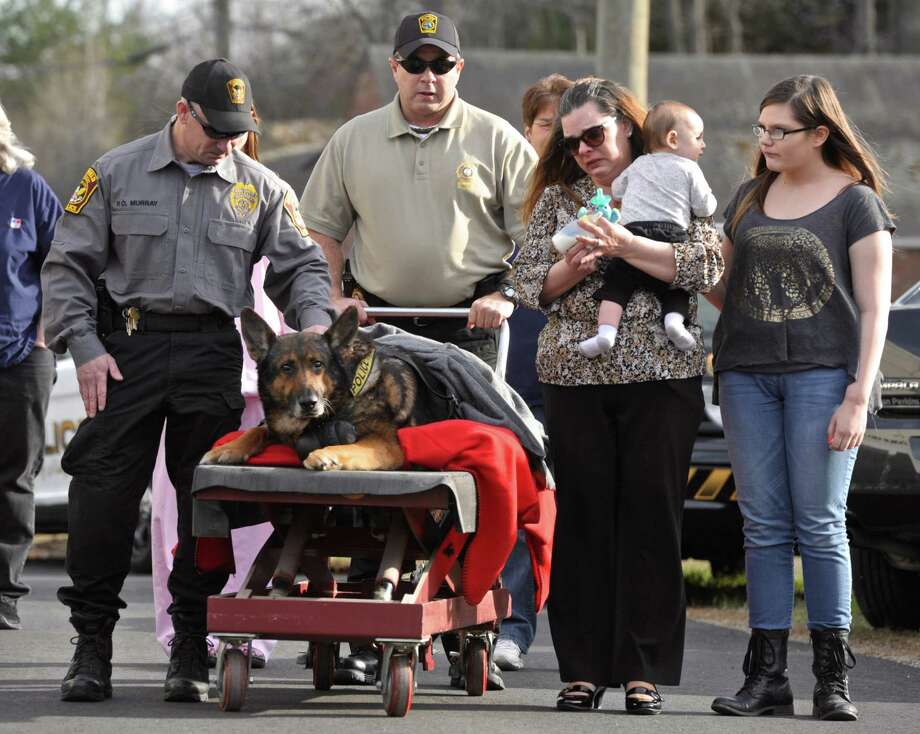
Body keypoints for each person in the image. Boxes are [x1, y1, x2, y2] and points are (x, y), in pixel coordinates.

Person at [41, 58, 332, 704]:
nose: (225, 144)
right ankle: (92, 643)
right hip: (126, 351)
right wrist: (84, 346)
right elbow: (66, 268)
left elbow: (303, 269)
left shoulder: (261, 186)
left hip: (209, 351)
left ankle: (193, 642)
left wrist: (316, 331)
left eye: (235, 132)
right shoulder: (115, 173)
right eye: (213, 130)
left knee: (207, 500)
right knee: (102, 495)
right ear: (181, 111)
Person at [300, 10, 536, 682]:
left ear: (459, 69)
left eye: (441, 65)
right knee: (375, 470)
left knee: (476, 474)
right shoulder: (354, 139)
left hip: (470, 326)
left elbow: (537, 233)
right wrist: (337, 293)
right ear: (395, 68)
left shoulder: (496, 139)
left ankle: (473, 626)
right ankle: (368, 629)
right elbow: (320, 230)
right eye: (416, 64)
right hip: (383, 327)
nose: (428, 78)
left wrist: (507, 294)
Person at [512, 77, 723, 714]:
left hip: (662, 374)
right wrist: (569, 268)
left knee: (652, 518)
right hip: (575, 377)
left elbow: (705, 264)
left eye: (594, 135)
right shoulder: (559, 196)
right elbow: (524, 281)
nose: (583, 150)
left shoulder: (675, 172)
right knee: (582, 519)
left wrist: (628, 245)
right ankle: (581, 669)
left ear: (627, 126)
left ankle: (643, 668)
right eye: (572, 141)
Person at [707, 75, 894, 722]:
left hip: (825, 377)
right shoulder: (748, 196)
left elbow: (875, 310)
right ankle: (767, 679)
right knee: (762, 527)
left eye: (779, 130)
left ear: (820, 133)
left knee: (820, 523)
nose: (766, 140)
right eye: (761, 128)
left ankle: (833, 679)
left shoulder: (857, 204)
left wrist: (858, 394)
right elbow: (720, 285)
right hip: (745, 377)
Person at [149, 107, 279, 669]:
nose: (230, 140)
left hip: (262, 387)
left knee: (255, 521)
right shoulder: (169, 192)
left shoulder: (271, 195)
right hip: (187, 378)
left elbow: (299, 281)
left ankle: (251, 631)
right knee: (176, 515)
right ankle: (185, 631)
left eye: (242, 128)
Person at [492, 72, 573, 674]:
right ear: (529, 130)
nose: (562, 137)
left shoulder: (603, 198)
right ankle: (488, 624)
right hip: (507, 376)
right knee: (502, 502)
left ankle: (526, 630)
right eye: (549, 124)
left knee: (552, 512)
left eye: (574, 127)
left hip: (577, 378)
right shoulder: (505, 196)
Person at [576, 100, 716, 358]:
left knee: (616, 285)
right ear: (673, 139)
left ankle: (605, 333)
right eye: (698, 138)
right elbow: (704, 206)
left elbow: (617, 188)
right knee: (677, 284)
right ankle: (674, 321)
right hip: (671, 237)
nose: (703, 145)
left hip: (633, 231)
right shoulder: (689, 168)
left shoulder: (639, 165)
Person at [0, 101, 62, 631]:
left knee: (16, 476)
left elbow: (60, 265)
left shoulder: (27, 188)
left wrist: (43, 338)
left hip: (20, 354)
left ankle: (3, 594)